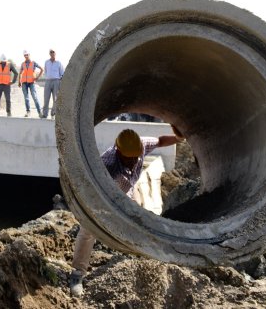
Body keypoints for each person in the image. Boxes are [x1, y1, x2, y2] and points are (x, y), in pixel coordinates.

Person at [68, 128, 182, 297]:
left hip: (126, 190)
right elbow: (91, 191)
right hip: (103, 195)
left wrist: (180, 137)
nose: (135, 161)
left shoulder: (139, 145)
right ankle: (77, 274)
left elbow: (160, 141)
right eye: (130, 158)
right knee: (88, 230)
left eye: (137, 156)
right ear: (119, 151)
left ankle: (147, 254)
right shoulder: (106, 165)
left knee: (143, 219)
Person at [41, 49, 65, 119]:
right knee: (46, 98)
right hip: (48, 81)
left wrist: (59, 80)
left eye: (53, 52)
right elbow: (45, 71)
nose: (52, 53)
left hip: (56, 81)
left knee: (56, 99)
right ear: (49, 54)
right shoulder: (46, 62)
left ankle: (53, 113)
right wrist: (48, 77)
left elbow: (62, 73)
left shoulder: (58, 63)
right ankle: (45, 114)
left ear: (55, 53)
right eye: (51, 52)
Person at [18, 50, 43, 117]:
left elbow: (41, 69)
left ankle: (39, 112)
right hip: (24, 83)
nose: (26, 56)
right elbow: (20, 73)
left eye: (27, 55)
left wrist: (37, 77)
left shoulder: (33, 63)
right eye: (25, 55)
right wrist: (19, 82)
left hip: (31, 82)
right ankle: (28, 112)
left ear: (29, 55)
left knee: (35, 97)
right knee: (26, 98)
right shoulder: (23, 64)